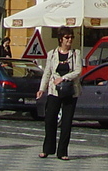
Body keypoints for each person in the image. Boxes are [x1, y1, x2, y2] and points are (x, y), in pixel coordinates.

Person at [37, 27, 82, 160]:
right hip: (54, 90)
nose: (69, 40)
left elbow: (78, 71)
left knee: (67, 122)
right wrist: (41, 89)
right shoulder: (52, 53)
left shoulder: (76, 53)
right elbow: (47, 73)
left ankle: (62, 152)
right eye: (67, 38)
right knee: (50, 119)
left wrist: (63, 78)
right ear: (60, 39)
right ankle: (47, 149)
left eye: (71, 37)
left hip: (70, 90)